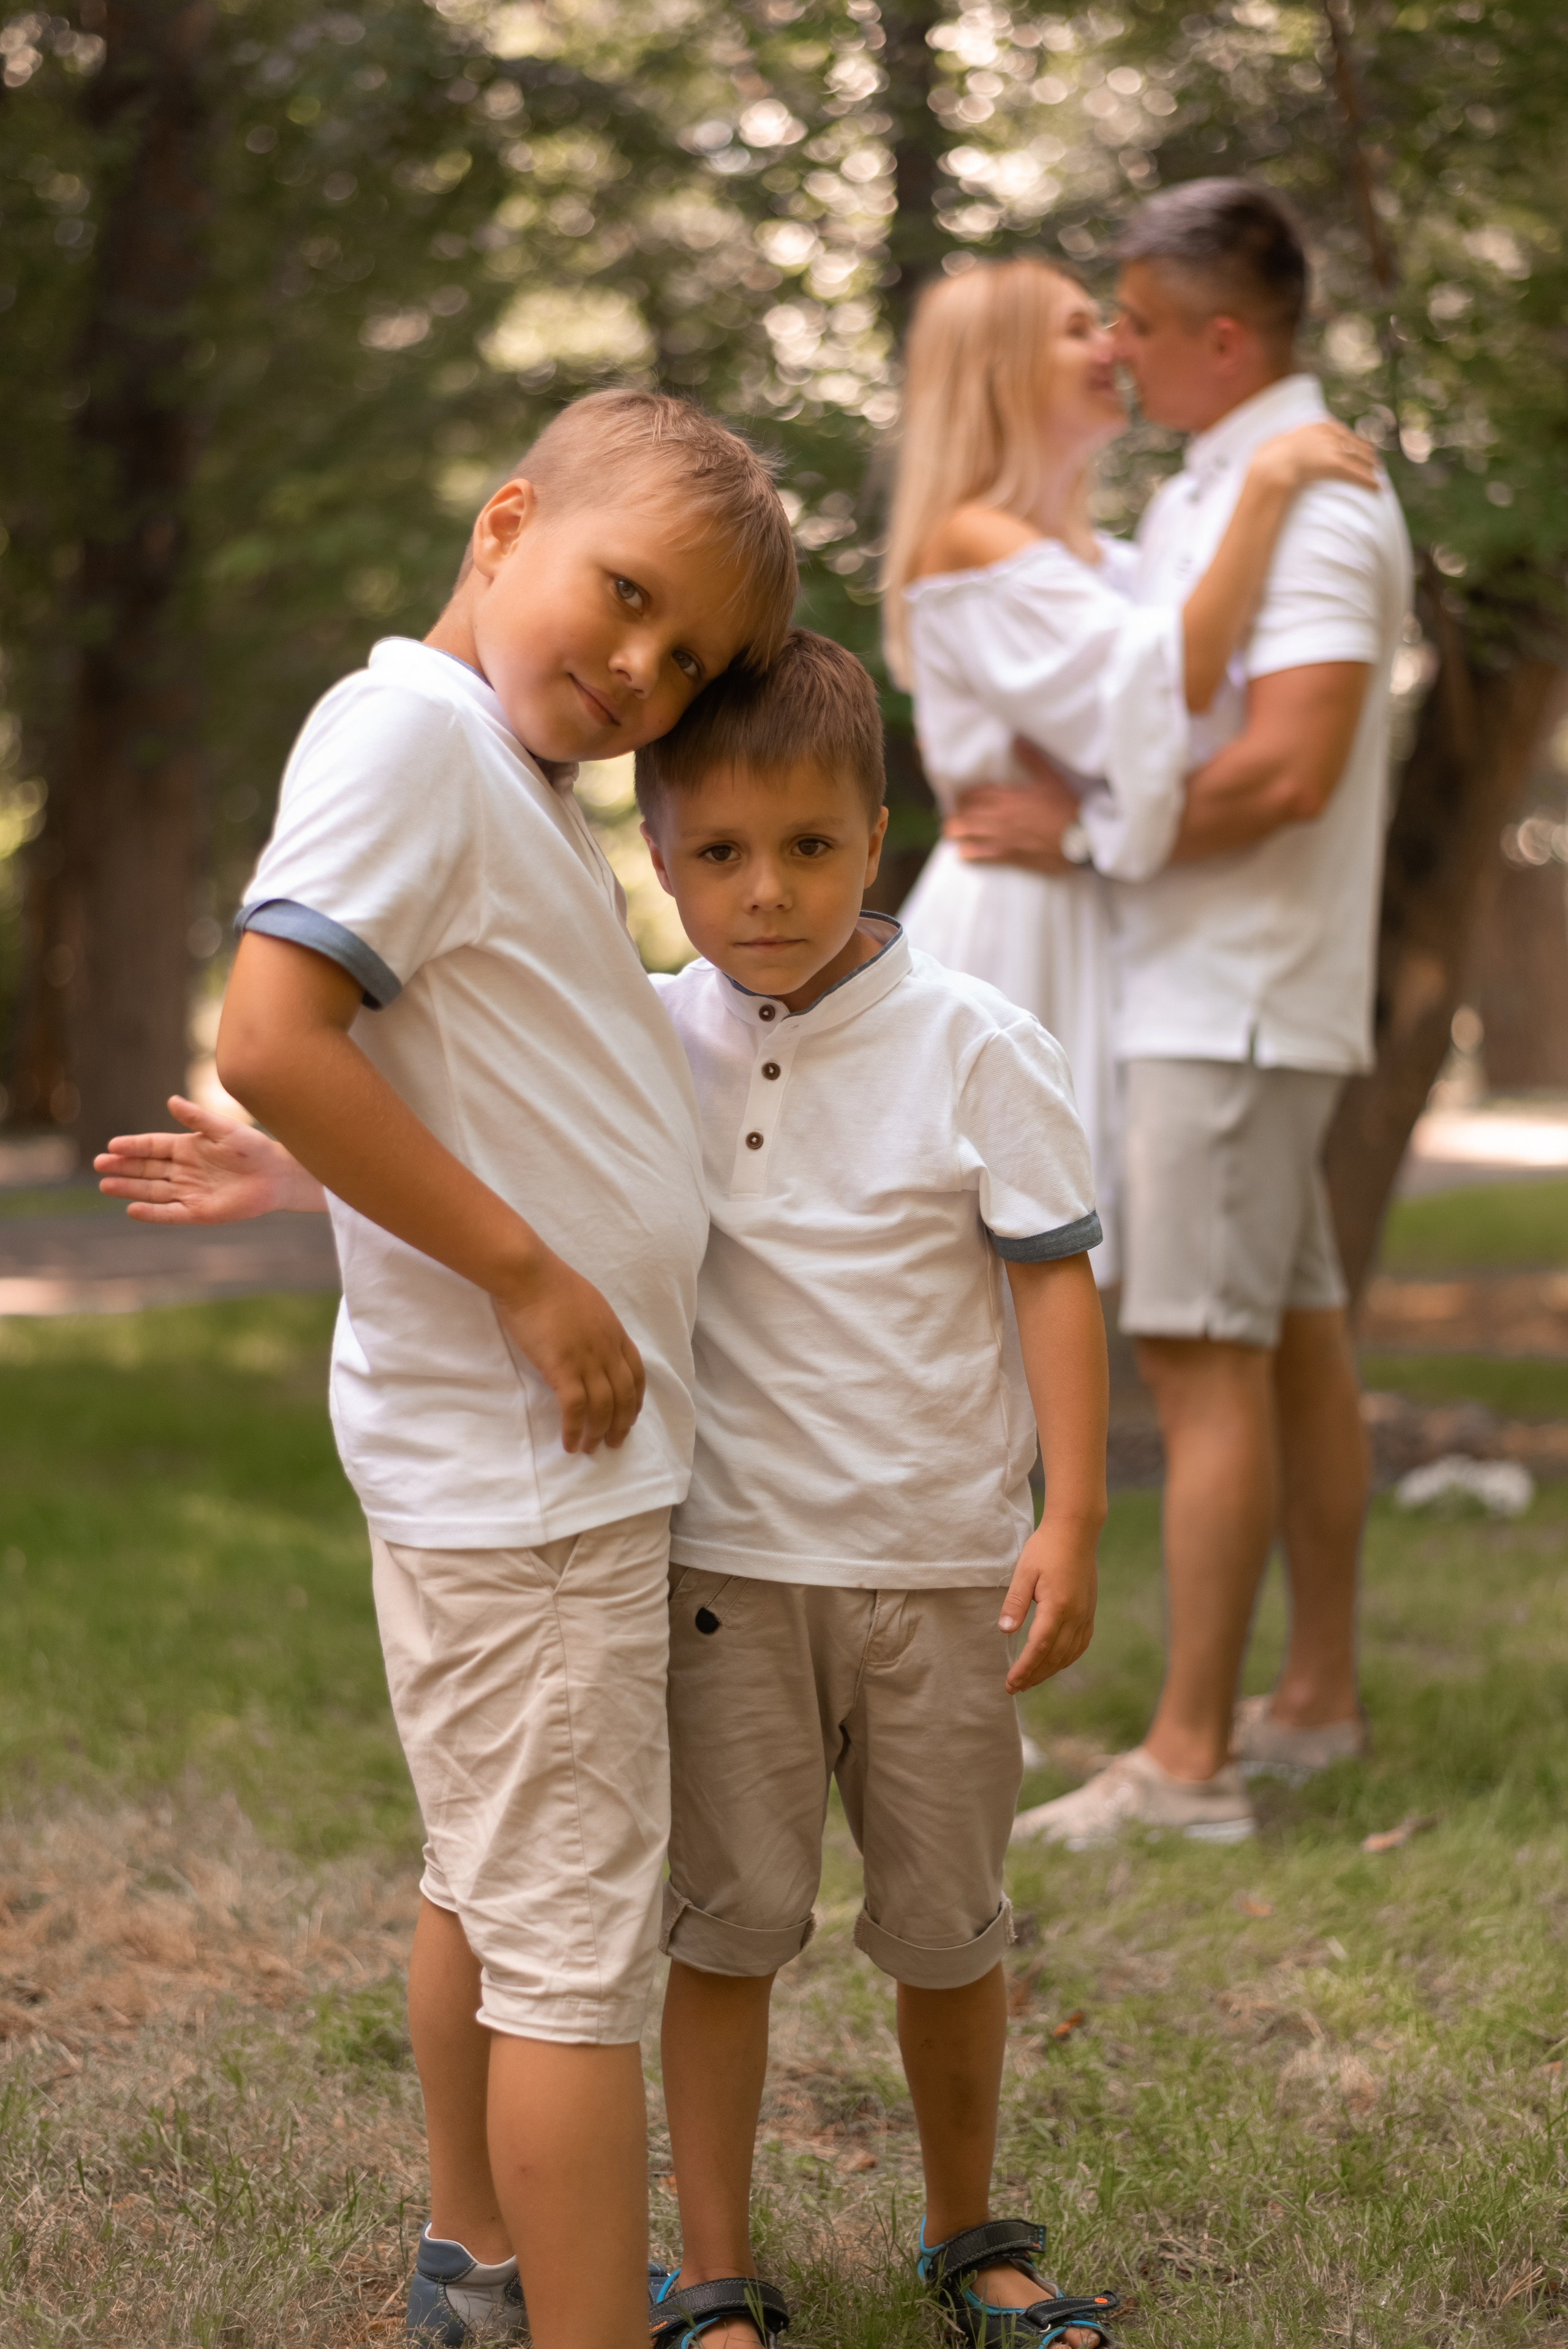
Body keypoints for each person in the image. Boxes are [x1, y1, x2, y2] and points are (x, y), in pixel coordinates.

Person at [102, 633, 1121, 2349]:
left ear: (876, 837)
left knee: (949, 1932)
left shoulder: (974, 1042)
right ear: (658, 855)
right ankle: (712, 2276)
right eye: (716, 853)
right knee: (725, 1935)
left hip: (938, 1567)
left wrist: (1073, 1512)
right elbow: (459, 1143)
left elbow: (1052, 1281)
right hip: (721, 1561)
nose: (765, 892)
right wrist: (287, 1167)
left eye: (807, 847)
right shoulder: (644, 1037)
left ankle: (970, 2231)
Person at [102, 388, 797, 2349]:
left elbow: (416, 1066)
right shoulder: (414, 734)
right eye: (629, 594)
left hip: (526, 1457)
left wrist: (320, 1168)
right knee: (573, 1953)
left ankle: (475, 2257)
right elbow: (278, 1025)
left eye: (690, 660)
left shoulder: (493, 765)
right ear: (507, 528)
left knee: (491, 1877)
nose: (644, 666)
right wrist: (527, 1277)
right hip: (529, 1464)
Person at [943, 183, 1414, 1845]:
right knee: (1288, 1346)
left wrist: (1073, 833)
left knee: (1199, 1357)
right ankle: (1316, 1703)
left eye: (1135, 323)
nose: (1118, 350)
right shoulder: (1226, 484)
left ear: (1223, 338)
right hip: (1211, 983)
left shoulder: (1325, 502)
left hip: (1231, 992)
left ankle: (1191, 1760)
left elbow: (1287, 766)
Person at [882, 254, 1378, 1284]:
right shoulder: (972, 541)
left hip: (1088, 907)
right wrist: (1270, 479)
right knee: (988, 1268)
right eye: (1075, 329)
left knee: (1071, 1273)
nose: (1111, 346)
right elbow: (1163, 692)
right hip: (1014, 919)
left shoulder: (1091, 557)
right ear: (1000, 369)